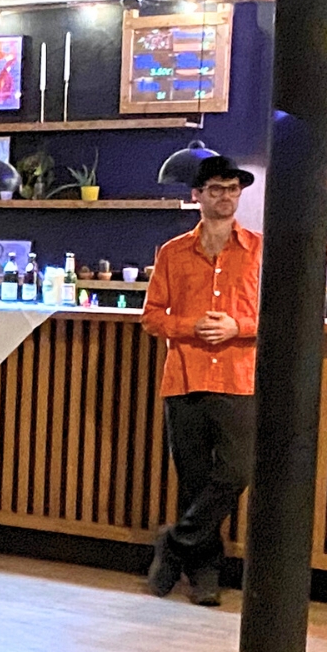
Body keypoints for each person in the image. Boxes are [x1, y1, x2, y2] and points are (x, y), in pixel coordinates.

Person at [142, 155, 260, 609]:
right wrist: (193, 327)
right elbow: (152, 318)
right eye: (216, 189)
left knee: (235, 472)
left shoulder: (260, 250)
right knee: (193, 480)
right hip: (185, 379)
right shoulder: (172, 253)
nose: (225, 197)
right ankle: (205, 573)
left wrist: (238, 328)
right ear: (197, 195)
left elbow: (278, 314)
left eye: (232, 189)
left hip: (237, 378)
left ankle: (172, 543)